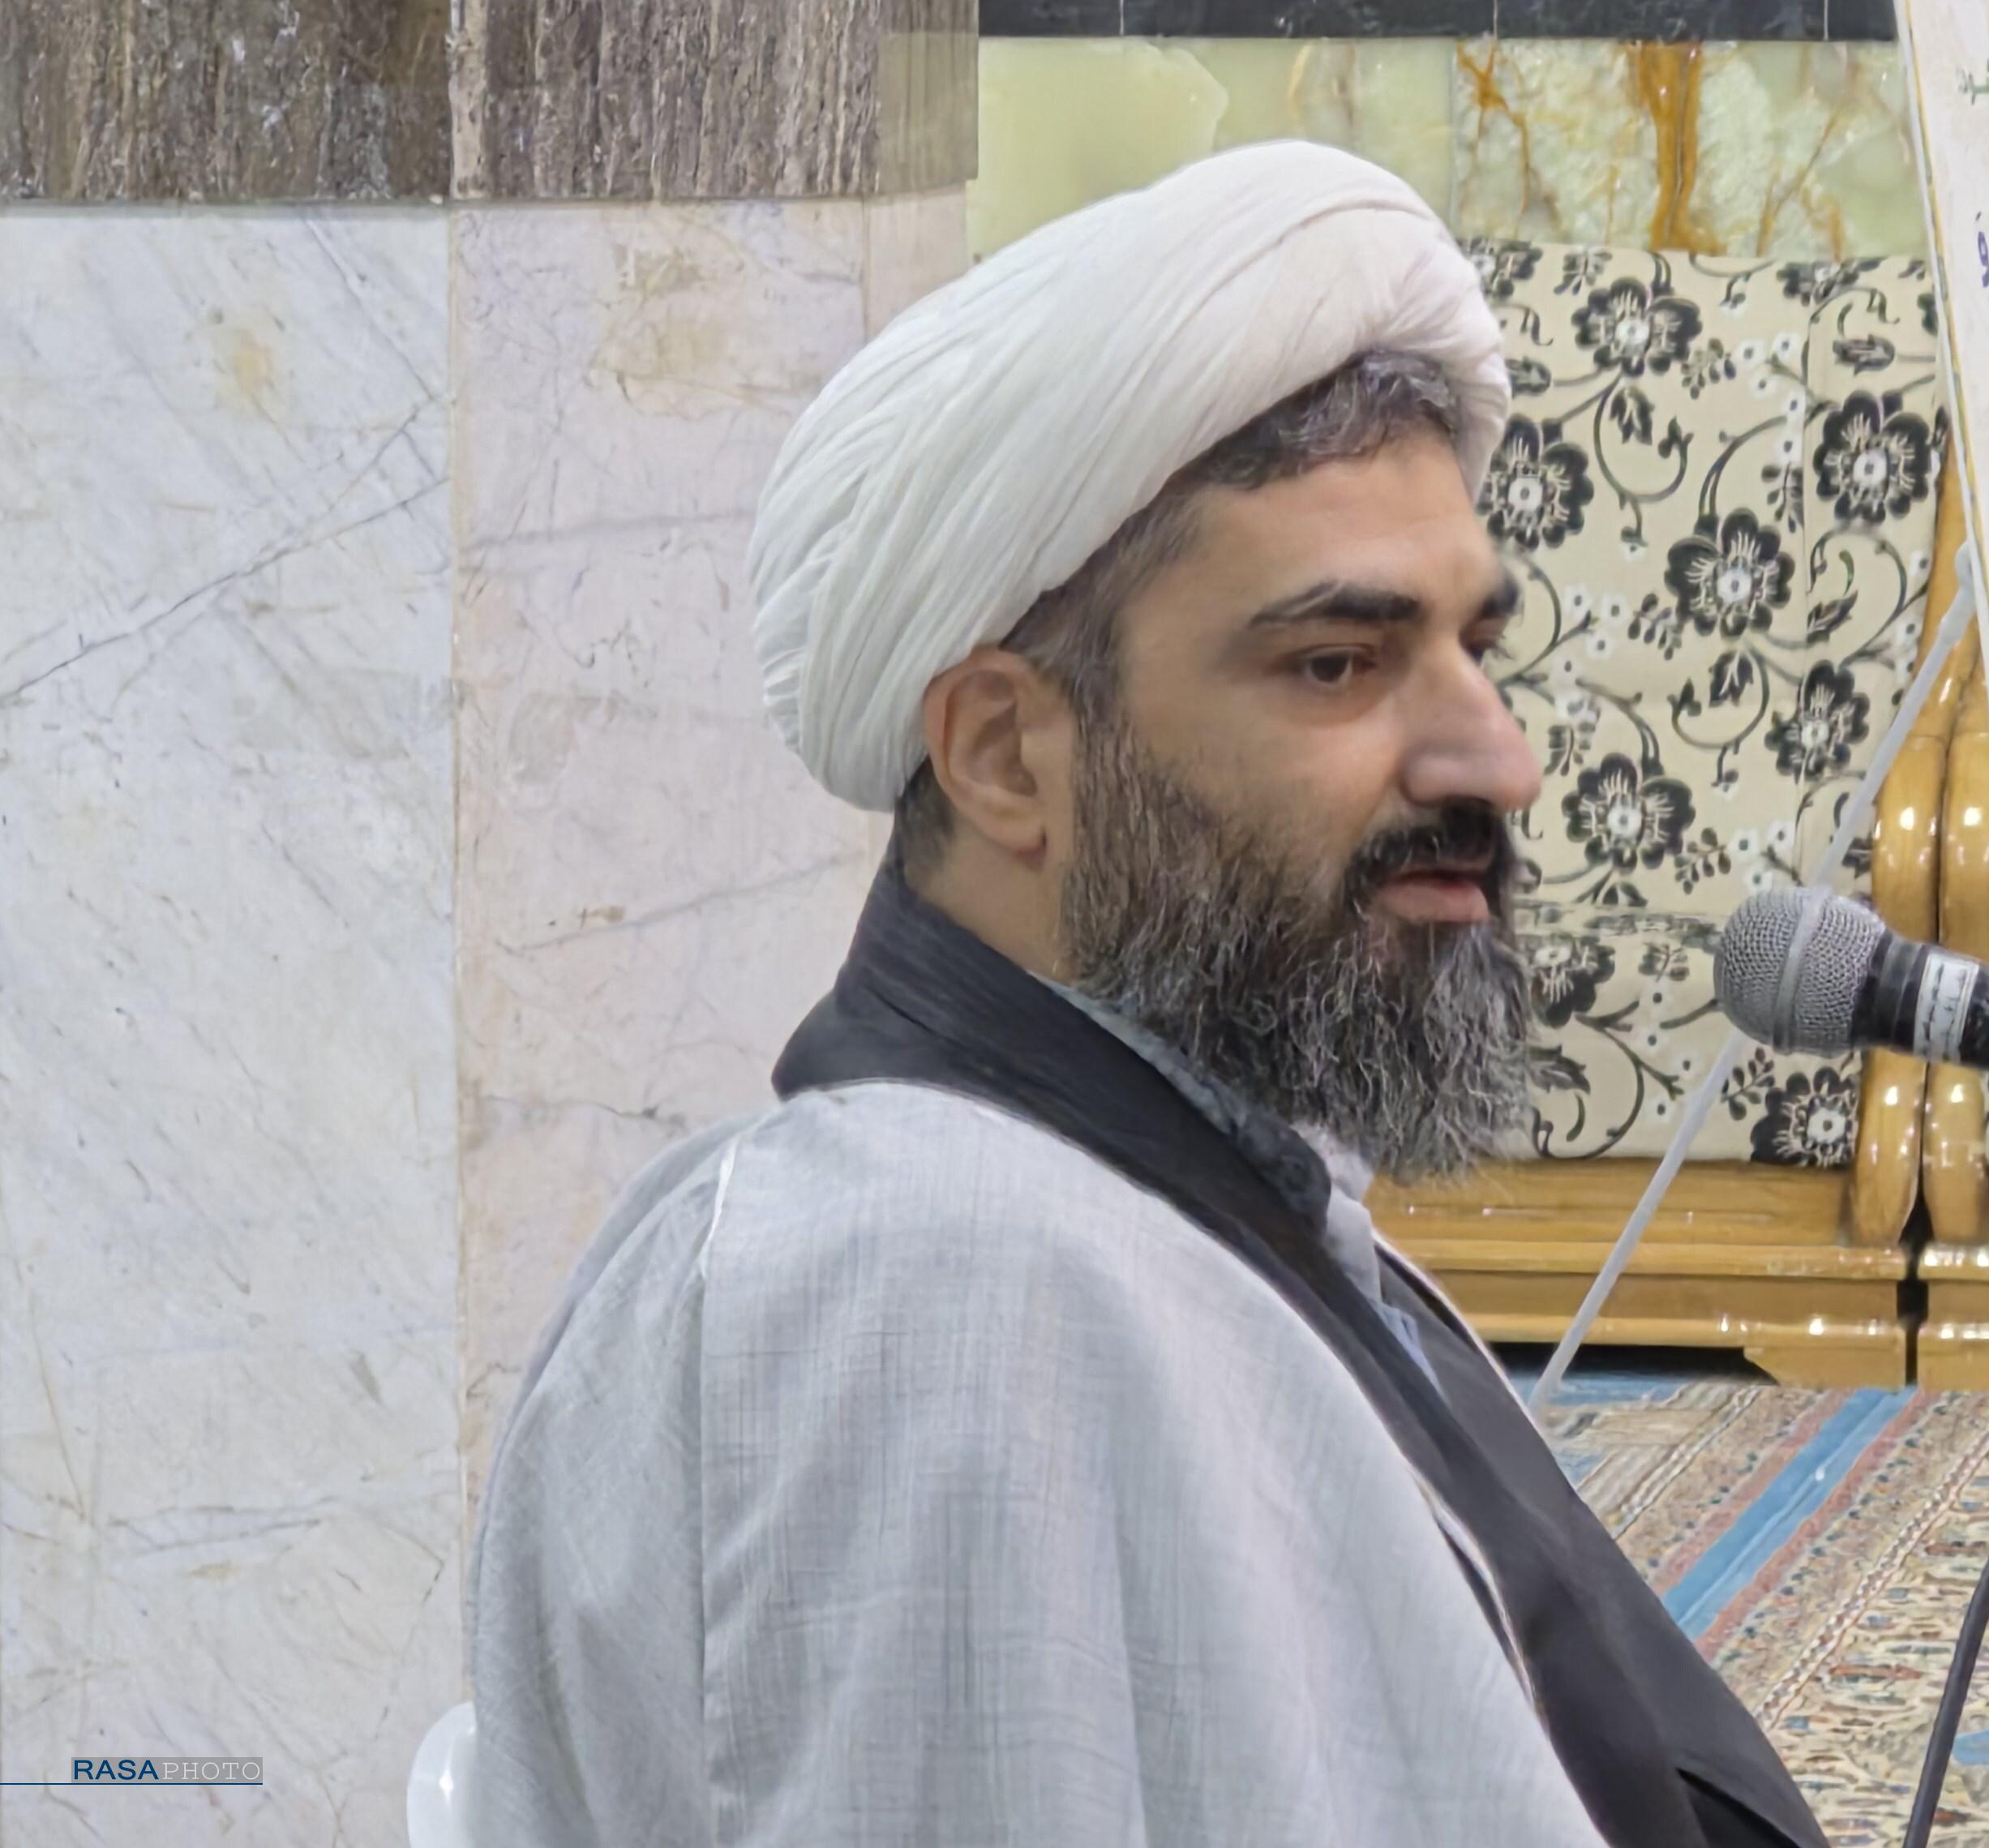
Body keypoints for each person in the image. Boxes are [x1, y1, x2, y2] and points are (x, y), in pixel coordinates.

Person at [466, 141, 1827, 1848]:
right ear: (1004, 755)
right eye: (1336, 662)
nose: (1499, 757)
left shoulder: (1159, 1182)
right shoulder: (935, 1286)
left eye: (1476, 648)